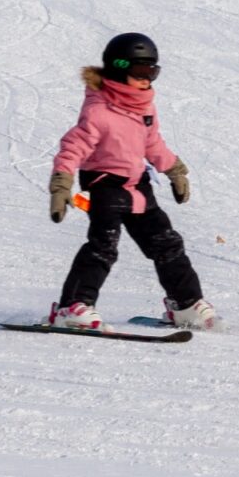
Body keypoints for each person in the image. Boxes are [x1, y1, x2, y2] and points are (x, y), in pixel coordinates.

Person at [45, 33, 218, 332]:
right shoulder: (99, 111)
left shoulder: (145, 108)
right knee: (103, 246)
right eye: (140, 71)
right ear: (118, 68)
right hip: (104, 184)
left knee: (167, 243)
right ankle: (72, 307)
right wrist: (62, 184)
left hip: (138, 186)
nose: (147, 79)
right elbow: (73, 146)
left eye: (153, 72)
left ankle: (186, 304)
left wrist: (174, 170)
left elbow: (153, 144)